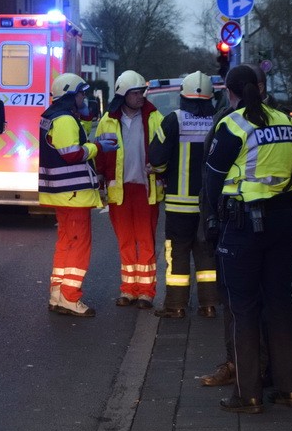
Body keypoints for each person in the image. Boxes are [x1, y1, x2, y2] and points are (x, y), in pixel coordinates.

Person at [204, 64, 292, 414]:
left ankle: (247, 395)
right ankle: (290, 390)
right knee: (280, 302)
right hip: (283, 221)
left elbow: (212, 181)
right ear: (259, 88)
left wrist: (213, 222)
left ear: (229, 91)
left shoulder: (232, 125)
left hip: (244, 224)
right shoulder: (286, 121)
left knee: (244, 308)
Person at [39, 73, 118, 317]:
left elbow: (72, 139)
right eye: (81, 93)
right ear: (71, 95)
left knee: (66, 243)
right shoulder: (63, 119)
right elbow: (72, 153)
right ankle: (70, 298)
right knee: (79, 245)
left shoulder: (55, 117)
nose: (84, 97)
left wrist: (84, 119)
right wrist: (98, 147)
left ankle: (57, 294)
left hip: (62, 193)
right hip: (73, 193)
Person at [148, 71, 218, 319]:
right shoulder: (219, 121)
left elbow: (156, 159)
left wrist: (162, 170)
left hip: (179, 205)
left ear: (183, 96)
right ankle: (209, 305)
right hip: (210, 204)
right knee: (207, 252)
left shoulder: (173, 120)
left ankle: (176, 305)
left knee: (177, 253)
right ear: (211, 97)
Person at [95, 70, 164, 309]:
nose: (140, 97)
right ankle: (128, 289)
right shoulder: (108, 120)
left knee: (145, 241)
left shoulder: (155, 117)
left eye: (141, 92)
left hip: (146, 189)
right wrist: (101, 181)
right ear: (123, 95)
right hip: (119, 191)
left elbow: (164, 150)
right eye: (135, 93)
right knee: (125, 241)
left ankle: (146, 292)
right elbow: (101, 156)